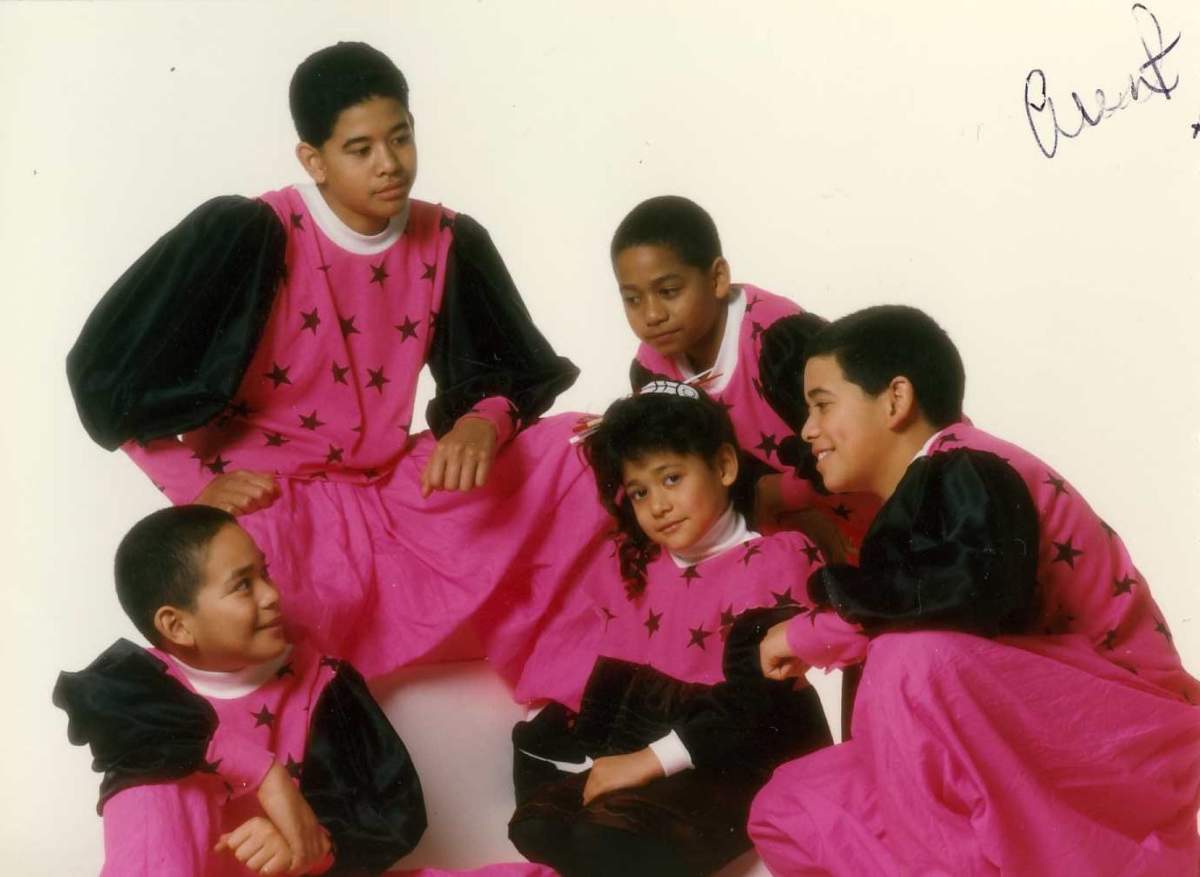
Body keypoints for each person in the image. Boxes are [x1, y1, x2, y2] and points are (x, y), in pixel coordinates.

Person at [65, 42, 589, 677]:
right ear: (312, 159)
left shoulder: (452, 240)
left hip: (391, 488)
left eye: (401, 139)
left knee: (583, 450)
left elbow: (510, 368)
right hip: (272, 502)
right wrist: (196, 488)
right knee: (240, 588)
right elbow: (105, 374)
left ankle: (557, 658)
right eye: (360, 149)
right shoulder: (250, 232)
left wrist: (486, 420)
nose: (390, 165)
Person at [748, 305, 1200, 875]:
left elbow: (952, 594)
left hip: (1125, 737)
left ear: (895, 399)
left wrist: (806, 633)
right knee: (791, 805)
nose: (807, 428)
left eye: (821, 405)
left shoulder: (971, 468)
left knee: (907, 659)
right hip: (1024, 729)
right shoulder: (931, 475)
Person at [508, 386, 833, 877]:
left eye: (672, 479)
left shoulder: (772, 559)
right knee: (537, 824)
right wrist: (602, 751)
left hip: (737, 753)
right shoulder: (639, 561)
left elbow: (754, 707)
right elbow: (617, 668)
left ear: (724, 467)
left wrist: (646, 763)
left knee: (611, 838)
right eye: (640, 491)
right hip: (651, 747)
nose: (658, 505)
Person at [53, 506, 425, 876]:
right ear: (177, 626)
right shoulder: (134, 687)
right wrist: (264, 772)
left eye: (265, 573)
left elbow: (394, 811)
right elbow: (127, 726)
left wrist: (313, 846)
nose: (270, 596)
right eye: (243, 585)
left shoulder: (328, 686)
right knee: (149, 774)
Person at [611, 195, 878, 563]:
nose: (652, 314)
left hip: (872, 508)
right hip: (781, 539)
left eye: (669, 292)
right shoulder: (650, 373)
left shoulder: (779, 338)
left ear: (718, 278)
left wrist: (780, 497)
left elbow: (860, 435)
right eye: (633, 299)